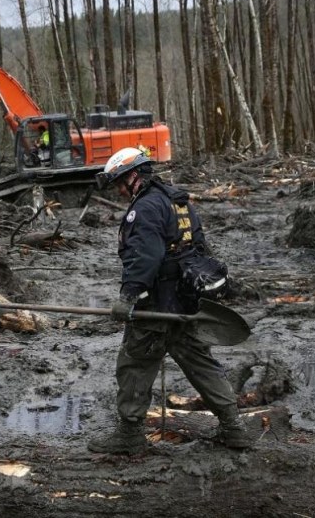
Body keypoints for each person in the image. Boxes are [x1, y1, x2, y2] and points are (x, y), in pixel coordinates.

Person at [88, 146, 250, 454]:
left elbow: (144, 257)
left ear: (134, 176)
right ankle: (234, 427)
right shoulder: (179, 201)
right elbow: (199, 248)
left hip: (157, 305)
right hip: (186, 301)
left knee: (135, 363)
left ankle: (130, 436)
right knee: (201, 362)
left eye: (121, 183)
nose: (120, 191)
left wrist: (129, 295)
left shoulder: (146, 208)